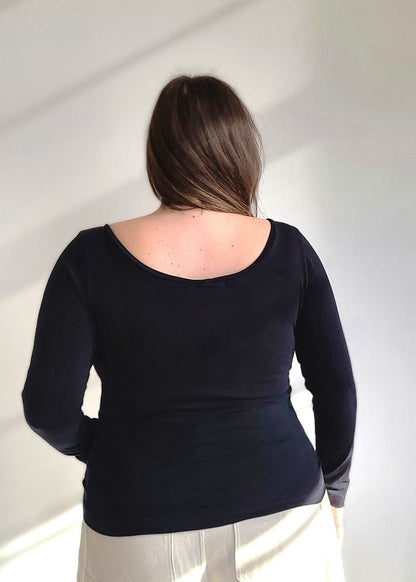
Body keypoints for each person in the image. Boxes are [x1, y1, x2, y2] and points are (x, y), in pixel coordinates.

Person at [21, 74, 357, 581]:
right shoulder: (290, 250)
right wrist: (335, 493)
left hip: (135, 520)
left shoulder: (88, 259)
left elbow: (47, 408)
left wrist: (104, 447)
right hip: (281, 510)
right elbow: (337, 391)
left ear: (158, 156)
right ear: (240, 152)